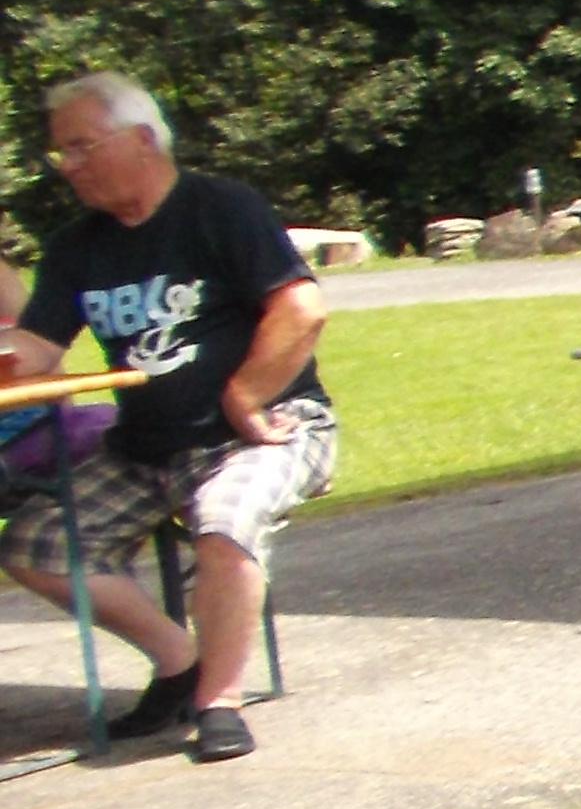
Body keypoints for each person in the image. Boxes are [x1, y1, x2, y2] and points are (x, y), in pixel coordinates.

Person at [1, 76, 336, 763]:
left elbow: (301, 309)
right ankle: (180, 661)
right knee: (35, 546)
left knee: (224, 520)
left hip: (267, 429)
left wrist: (245, 396)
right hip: (146, 449)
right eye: (62, 152)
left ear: (143, 139)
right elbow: (36, 348)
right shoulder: (76, 246)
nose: (68, 166)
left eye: (81, 147)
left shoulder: (220, 208)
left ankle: (220, 703)